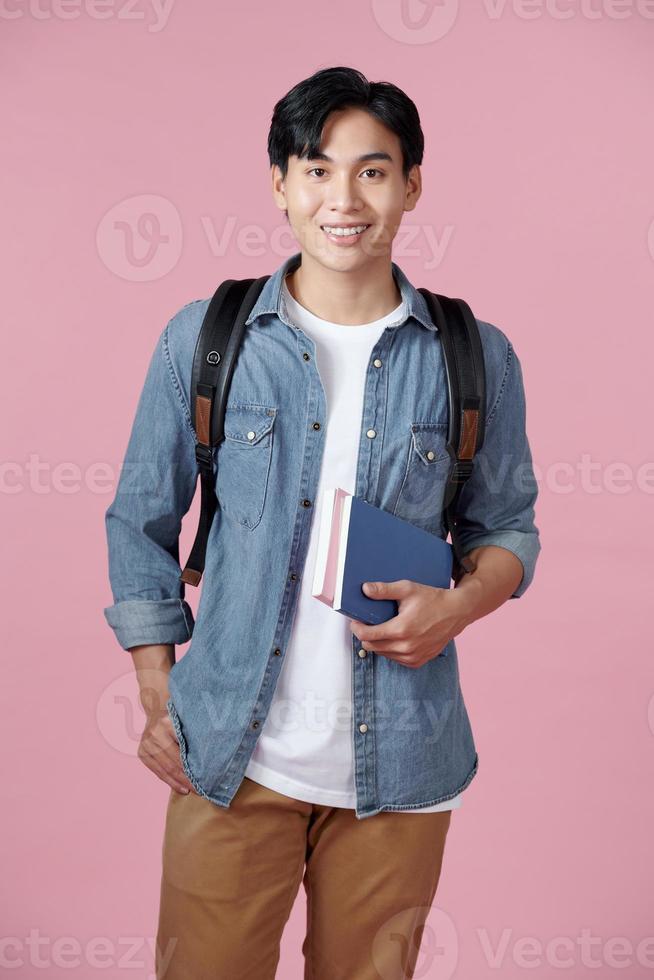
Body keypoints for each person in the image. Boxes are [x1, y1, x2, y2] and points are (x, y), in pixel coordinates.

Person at [103, 66, 541, 980]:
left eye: (372, 171)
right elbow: (141, 518)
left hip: (403, 769)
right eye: (315, 169)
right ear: (280, 184)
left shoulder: (473, 354)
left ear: (413, 185)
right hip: (229, 757)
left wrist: (458, 608)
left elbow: (509, 528)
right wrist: (157, 690)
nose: (343, 199)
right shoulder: (206, 338)